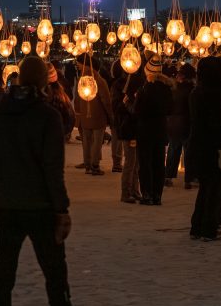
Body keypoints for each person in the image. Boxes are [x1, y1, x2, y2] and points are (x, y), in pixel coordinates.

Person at [0, 56, 86, 306]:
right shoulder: (46, 116)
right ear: (43, 82)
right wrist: (61, 208)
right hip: (40, 206)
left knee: (4, 270)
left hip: (8, 204)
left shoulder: (1, 112)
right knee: (54, 269)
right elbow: (53, 169)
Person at [187, 56, 221, 241]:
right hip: (213, 145)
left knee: (205, 187)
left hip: (198, 144)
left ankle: (197, 226)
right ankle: (209, 229)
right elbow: (215, 124)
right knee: (214, 188)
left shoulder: (196, 92)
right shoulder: (215, 94)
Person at [133, 56, 173, 206]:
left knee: (145, 164)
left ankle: (147, 194)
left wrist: (133, 101)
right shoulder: (167, 88)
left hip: (146, 131)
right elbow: (170, 109)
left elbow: (139, 110)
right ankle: (157, 195)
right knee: (158, 163)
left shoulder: (146, 89)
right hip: (161, 130)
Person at [72, 54, 112, 175]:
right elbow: (106, 100)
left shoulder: (81, 81)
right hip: (98, 116)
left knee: (87, 141)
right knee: (97, 142)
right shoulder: (99, 81)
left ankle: (88, 164)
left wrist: (79, 113)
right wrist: (110, 115)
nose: (78, 66)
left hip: (85, 116)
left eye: (80, 64)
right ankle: (95, 165)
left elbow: (77, 99)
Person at [114, 68, 144, 203]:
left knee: (136, 163)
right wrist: (128, 104)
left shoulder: (133, 94)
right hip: (129, 131)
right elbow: (126, 112)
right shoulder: (125, 95)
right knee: (130, 162)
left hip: (135, 130)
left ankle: (134, 190)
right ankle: (126, 192)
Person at [165, 63, 195, 187]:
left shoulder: (174, 90)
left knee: (173, 149)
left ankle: (168, 176)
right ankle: (189, 179)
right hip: (187, 122)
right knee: (188, 151)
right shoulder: (192, 90)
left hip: (173, 122)